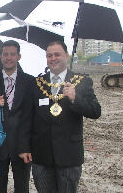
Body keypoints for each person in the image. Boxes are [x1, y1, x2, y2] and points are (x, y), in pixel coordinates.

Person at [31, 41, 101, 192]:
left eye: (57, 54)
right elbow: (29, 118)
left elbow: (95, 112)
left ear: (66, 56)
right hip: (42, 156)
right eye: (49, 55)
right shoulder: (37, 83)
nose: (53, 58)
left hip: (69, 156)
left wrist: (76, 99)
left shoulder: (81, 82)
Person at [0, 40, 35, 193]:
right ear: (0, 56)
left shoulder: (30, 81)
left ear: (19, 56)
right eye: (5, 54)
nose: (9, 58)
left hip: (22, 145)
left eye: (12, 54)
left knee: (22, 186)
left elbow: (31, 116)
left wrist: (27, 146)